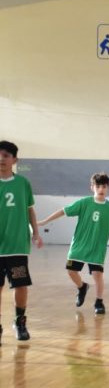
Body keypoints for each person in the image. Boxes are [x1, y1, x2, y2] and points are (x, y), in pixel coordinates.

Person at [38, 172, 109, 315]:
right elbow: (63, 211)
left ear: (108, 188)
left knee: (97, 275)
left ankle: (99, 302)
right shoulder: (84, 203)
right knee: (71, 271)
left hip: (97, 248)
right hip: (79, 245)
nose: (101, 189)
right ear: (92, 187)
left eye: (104, 186)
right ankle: (82, 287)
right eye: (98, 186)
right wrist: (45, 221)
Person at [0, 141, 43, 343]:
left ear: (15, 160)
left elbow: (29, 209)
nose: (1, 158)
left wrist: (36, 232)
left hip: (17, 246)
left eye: (6, 155)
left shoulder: (23, 183)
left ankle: (20, 322)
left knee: (21, 285)